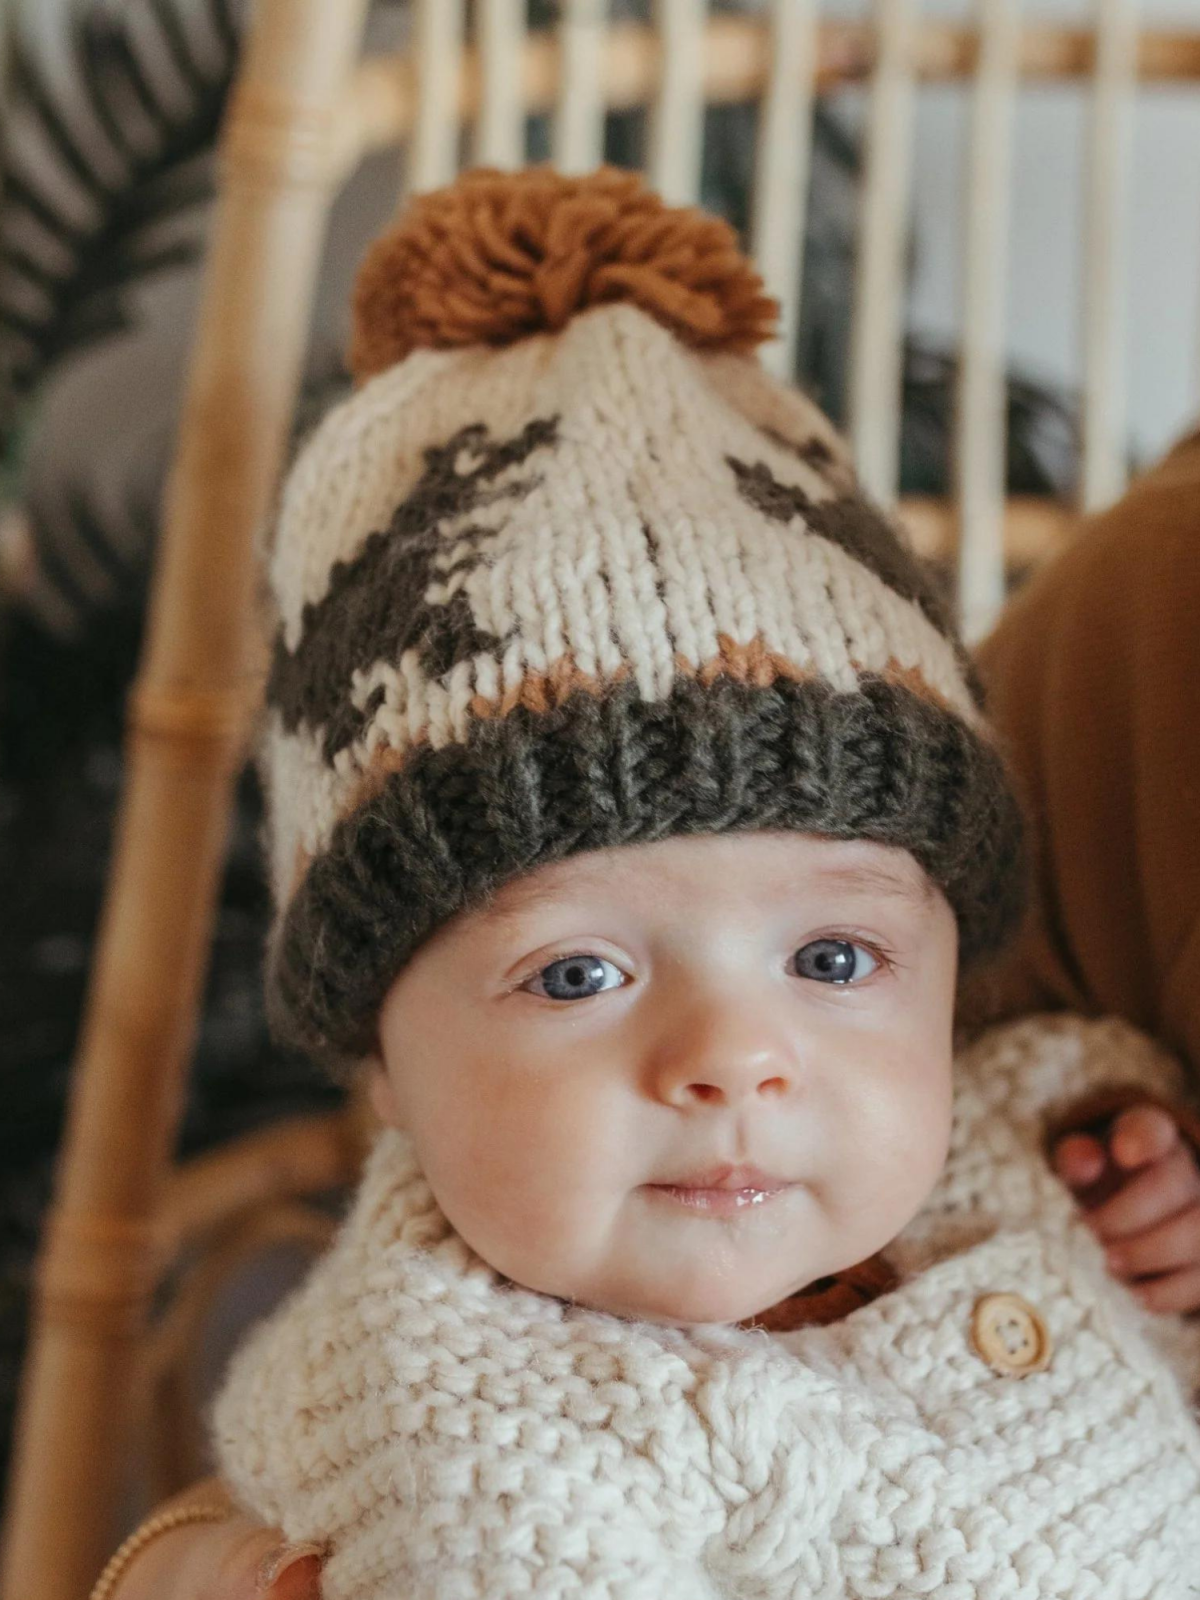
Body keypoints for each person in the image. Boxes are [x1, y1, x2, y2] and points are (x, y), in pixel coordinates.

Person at [104, 167, 1200, 1600]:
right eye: (579, 973)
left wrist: (1148, 1212)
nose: (735, 1059)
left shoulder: (1015, 1150)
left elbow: (1069, 1090)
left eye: (834, 960)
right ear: (382, 1064)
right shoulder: (471, 1425)